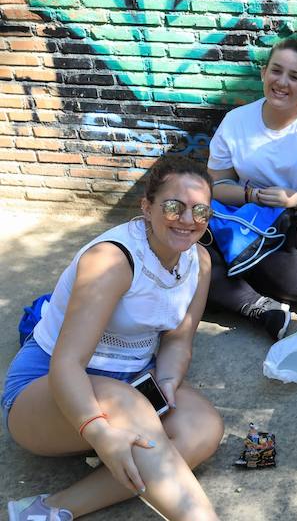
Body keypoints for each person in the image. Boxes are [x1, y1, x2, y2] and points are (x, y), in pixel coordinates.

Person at [4, 155, 223, 521]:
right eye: (174, 206)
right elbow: (67, 363)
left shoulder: (198, 261)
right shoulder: (112, 260)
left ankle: (50, 510)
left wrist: (167, 382)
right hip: (48, 389)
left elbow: (178, 340)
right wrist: (99, 430)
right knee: (133, 411)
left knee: (202, 429)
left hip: (129, 386)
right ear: (146, 206)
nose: (188, 220)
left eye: (200, 212)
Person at [206, 37, 297, 340]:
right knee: (181, 241)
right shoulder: (235, 122)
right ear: (263, 73)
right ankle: (254, 304)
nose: (281, 82)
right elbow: (217, 186)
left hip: (293, 223)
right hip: (244, 219)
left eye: (294, 76)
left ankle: (220, 280)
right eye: (276, 71)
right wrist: (251, 195)